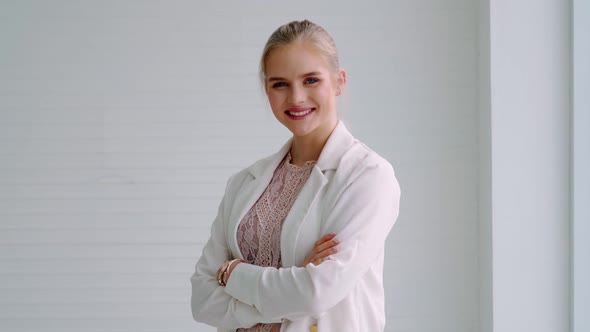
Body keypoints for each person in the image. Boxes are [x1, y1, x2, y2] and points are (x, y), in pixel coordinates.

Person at [190, 19, 401, 332]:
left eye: (311, 80)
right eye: (280, 84)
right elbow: (202, 299)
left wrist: (233, 274)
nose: (297, 97)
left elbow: (317, 293)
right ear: (267, 89)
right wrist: (289, 287)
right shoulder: (244, 183)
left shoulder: (367, 177)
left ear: (339, 81)